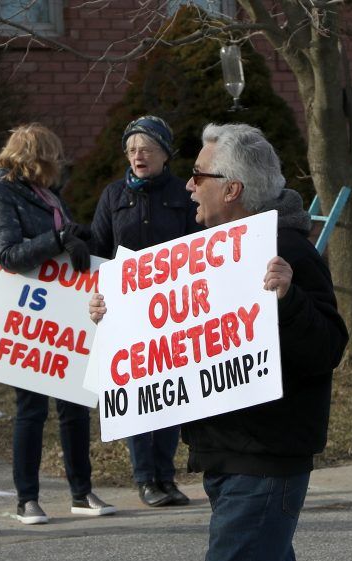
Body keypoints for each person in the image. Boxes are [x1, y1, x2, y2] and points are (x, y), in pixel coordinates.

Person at [90, 123, 352, 561]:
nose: (188, 183)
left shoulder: (286, 252)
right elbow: (176, 329)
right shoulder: (205, 250)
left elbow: (327, 347)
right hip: (224, 452)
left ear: (234, 189)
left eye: (200, 175)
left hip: (268, 457)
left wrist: (286, 298)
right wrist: (114, 312)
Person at [0, 123, 115, 525]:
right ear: (34, 158)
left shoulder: (48, 194)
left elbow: (62, 239)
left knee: (75, 404)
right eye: (52, 157)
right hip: (28, 315)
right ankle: (27, 498)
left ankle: (81, 490)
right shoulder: (0, 192)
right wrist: (58, 240)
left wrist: (78, 238)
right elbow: (6, 253)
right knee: (31, 408)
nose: (59, 165)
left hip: (64, 311)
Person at [90, 115, 200, 509]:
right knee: (138, 393)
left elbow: (199, 245)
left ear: (165, 155)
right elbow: (99, 252)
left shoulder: (183, 194)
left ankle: (166, 476)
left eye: (147, 149)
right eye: (133, 150)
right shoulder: (113, 196)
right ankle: (144, 478)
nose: (139, 156)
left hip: (173, 312)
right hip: (127, 315)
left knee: (171, 394)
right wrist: (97, 296)